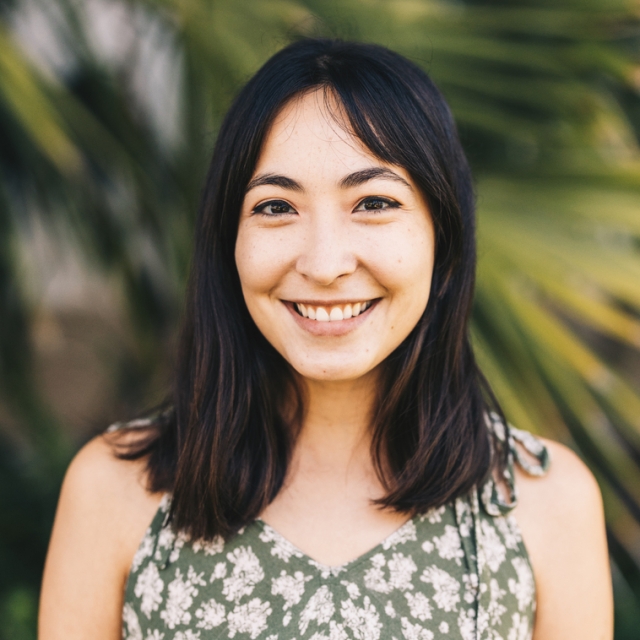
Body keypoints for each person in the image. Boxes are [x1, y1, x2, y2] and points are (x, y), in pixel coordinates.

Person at [39, 38, 612, 640]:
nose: (324, 263)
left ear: (442, 238)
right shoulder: (116, 490)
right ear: (227, 243)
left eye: (372, 201)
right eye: (277, 207)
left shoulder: (545, 503)